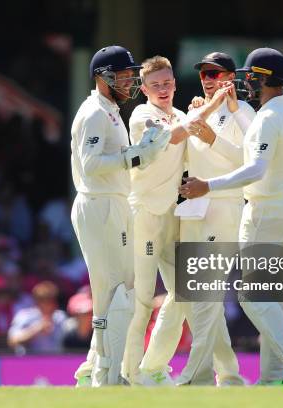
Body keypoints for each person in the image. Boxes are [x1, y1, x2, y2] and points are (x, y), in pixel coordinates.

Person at [180, 48, 283, 385]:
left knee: (252, 294)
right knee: (273, 296)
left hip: (265, 212)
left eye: (252, 78)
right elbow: (254, 144)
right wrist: (235, 113)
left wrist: (206, 186)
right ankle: (272, 379)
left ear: (264, 79)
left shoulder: (268, 117)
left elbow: (254, 167)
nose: (248, 84)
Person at [140, 52, 255, 386]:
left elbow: (250, 164)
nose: (208, 79)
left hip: (222, 207)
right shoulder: (194, 110)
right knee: (194, 297)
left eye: (216, 74)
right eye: (205, 73)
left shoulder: (243, 112)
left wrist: (213, 139)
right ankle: (228, 374)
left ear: (230, 78)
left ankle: (195, 374)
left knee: (202, 297)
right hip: (190, 210)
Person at [70, 45, 171, 386]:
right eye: (123, 77)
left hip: (114, 202)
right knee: (114, 294)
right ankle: (107, 376)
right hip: (99, 205)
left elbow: (115, 161)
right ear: (103, 78)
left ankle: (101, 373)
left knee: (120, 292)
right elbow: (91, 164)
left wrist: (141, 155)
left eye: (130, 77)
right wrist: (136, 155)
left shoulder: (111, 110)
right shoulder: (95, 112)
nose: (128, 83)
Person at [121, 55, 187, 384]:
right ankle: (130, 374)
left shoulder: (183, 115)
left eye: (167, 83)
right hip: (145, 213)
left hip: (173, 215)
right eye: (155, 85)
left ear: (175, 84)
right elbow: (170, 137)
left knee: (185, 293)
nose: (163, 89)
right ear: (144, 89)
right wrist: (207, 109)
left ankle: (152, 368)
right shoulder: (142, 115)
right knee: (143, 300)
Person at [7, 281, 67, 354]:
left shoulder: (60, 317)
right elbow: (12, 340)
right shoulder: (25, 316)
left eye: (53, 300)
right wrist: (36, 329)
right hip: (30, 361)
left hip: (57, 361)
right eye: (46, 301)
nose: (52, 304)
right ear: (38, 301)